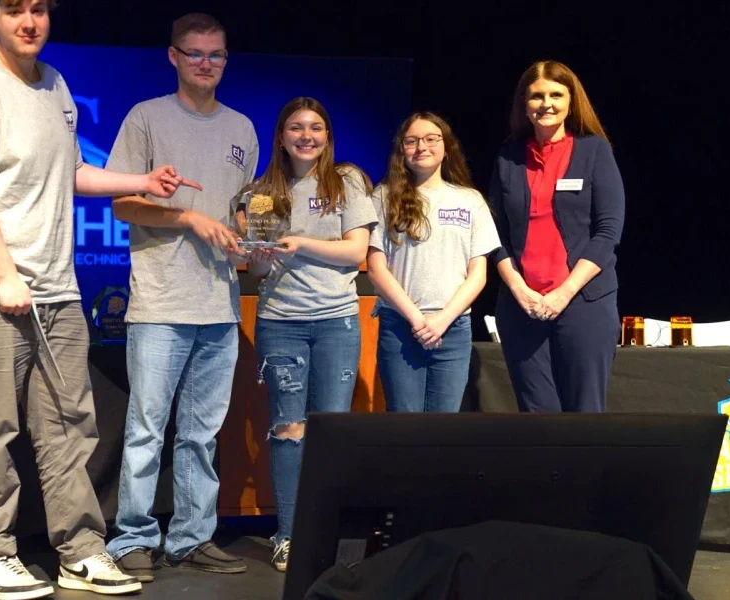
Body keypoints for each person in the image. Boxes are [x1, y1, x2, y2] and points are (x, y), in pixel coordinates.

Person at [0, 1, 199, 598]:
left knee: (68, 430)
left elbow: (72, 170)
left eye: (38, 10)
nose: (29, 21)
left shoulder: (54, 83)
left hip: (58, 291)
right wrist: (3, 272)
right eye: (15, 10)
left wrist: (140, 182)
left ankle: (80, 551)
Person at [103, 13, 257, 581]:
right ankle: (132, 539)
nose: (205, 63)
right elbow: (122, 203)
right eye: (194, 53)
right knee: (147, 428)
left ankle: (192, 537)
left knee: (202, 432)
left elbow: (240, 211)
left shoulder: (242, 128)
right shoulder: (146, 118)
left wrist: (249, 242)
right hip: (162, 301)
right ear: (173, 56)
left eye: (215, 54)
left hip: (219, 301)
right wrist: (187, 216)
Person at [242, 97, 377, 573]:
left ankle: (329, 534)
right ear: (280, 136)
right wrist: (259, 254)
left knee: (330, 430)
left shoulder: (349, 181)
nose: (306, 136)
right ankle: (288, 535)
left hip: (336, 322)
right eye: (296, 128)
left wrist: (300, 244)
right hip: (280, 322)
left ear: (327, 135)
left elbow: (357, 251)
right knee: (288, 430)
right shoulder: (261, 193)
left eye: (316, 127)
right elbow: (257, 269)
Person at [488, 60, 625, 413]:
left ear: (570, 100)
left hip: (584, 303)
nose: (546, 104)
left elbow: (608, 231)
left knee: (585, 413)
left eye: (555, 95)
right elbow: (492, 234)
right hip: (523, 307)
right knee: (538, 418)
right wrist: (520, 290)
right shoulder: (509, 156)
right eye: (536, 96)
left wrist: (563, 294)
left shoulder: (594, 150)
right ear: (524, 103)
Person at [367, 112, 500, 412]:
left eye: (431, 139)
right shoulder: (384, 197)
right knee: (404, 425)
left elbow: (478, 274)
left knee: (443, 428)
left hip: (452, 328)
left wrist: (441, 320)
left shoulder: (470, 200)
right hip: (401, 326)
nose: (421, 147)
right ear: (402, 149)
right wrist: (417, 319)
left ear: (445, 146)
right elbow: (376, 268)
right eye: (412, 141)